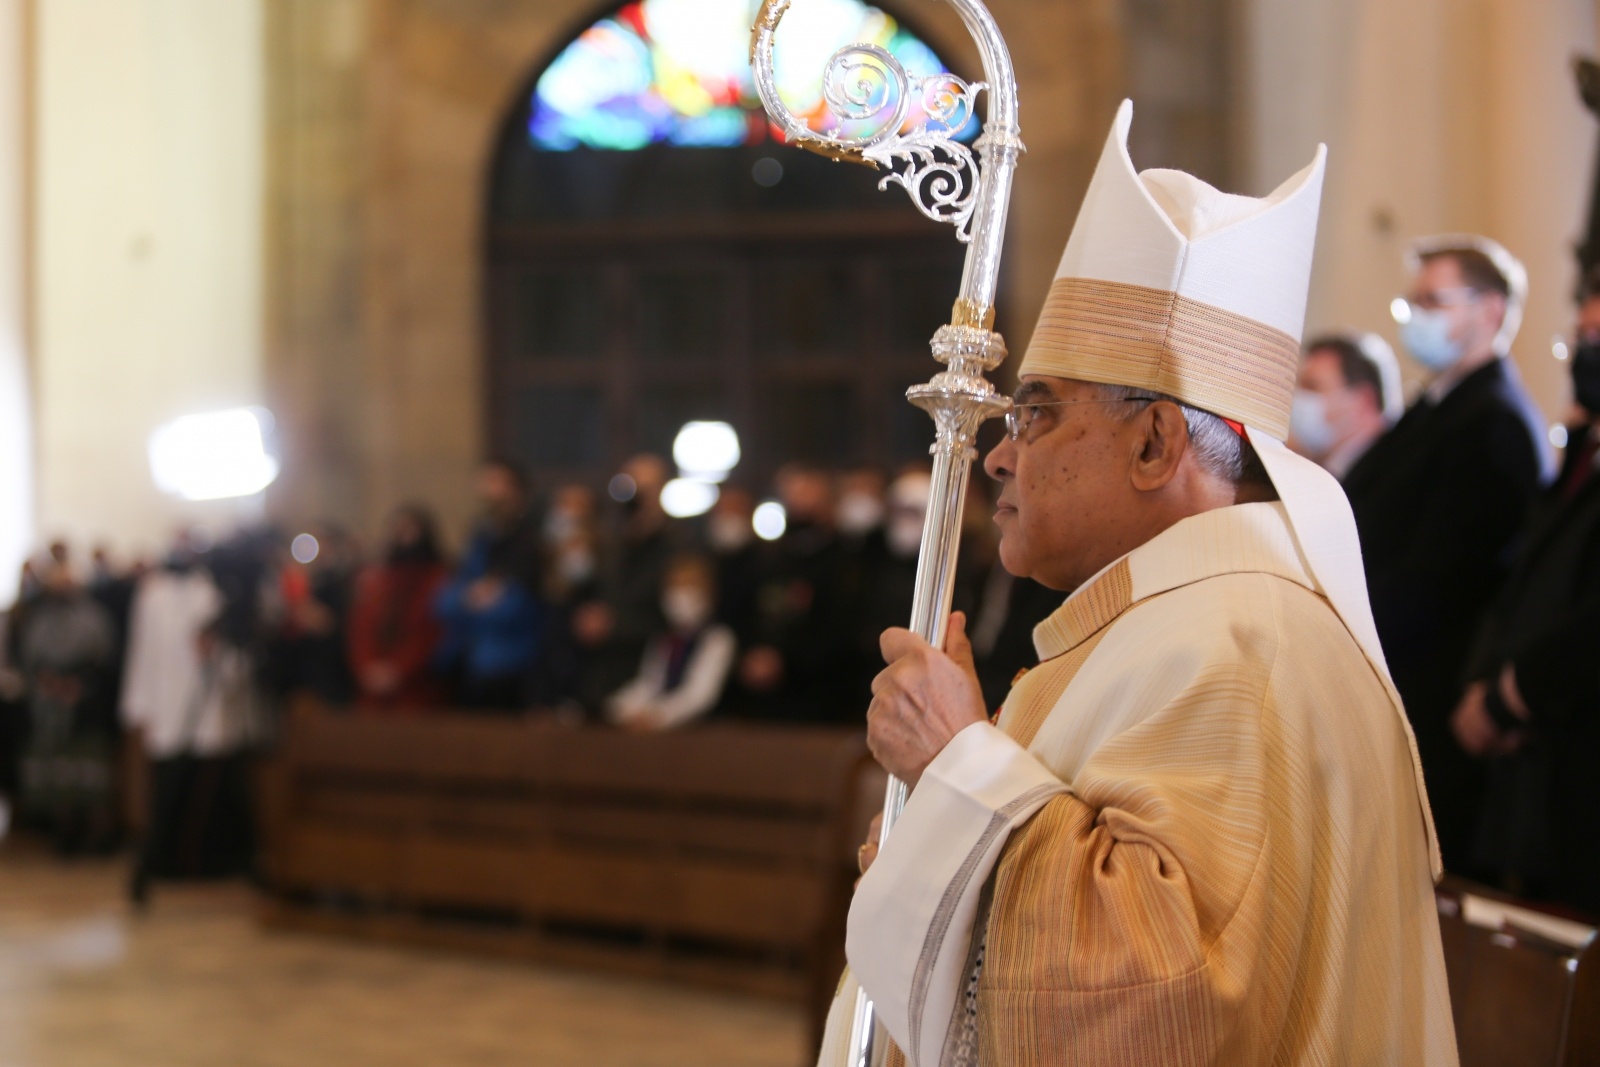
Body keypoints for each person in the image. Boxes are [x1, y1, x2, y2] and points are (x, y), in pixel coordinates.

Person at [819, 101, 1453, 1065]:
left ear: (1156, 441)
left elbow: (1150, 1002)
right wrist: (942, 799)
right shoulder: (1186, 621)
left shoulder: (1237, 646)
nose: (997, 458)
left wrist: (954, 767)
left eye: (1034, 417)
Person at [1343, 234, 1548, 868]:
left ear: (1489, 311)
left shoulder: (1495, 420)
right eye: (1413, 302)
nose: (1415, 317)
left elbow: (1441, 581)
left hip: (1427, 694)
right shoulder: (1438, 406)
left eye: (1433, 301)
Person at [1447, 268, 1600, 915]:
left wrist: (1513, 695)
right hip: (1531, 781)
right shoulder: (1581, 451)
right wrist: (1484, 683)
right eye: (1581, 333)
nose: (1583, 347)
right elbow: (1522, 580)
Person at [122, 535, 262, 903]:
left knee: (223, 789)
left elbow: (240, 661)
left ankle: (231, 863)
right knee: (167, 791)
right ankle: (153, 866)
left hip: (211, 709)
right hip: (169, 709)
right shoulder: (152, 596)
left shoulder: (218, 595)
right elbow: (143, 654)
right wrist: (139, 708)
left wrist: (215, 651)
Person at [14, 560, 118, 853]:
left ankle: (96, 837)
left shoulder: (95, 617)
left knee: (89, 773)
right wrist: (48, 681)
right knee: (59, 774)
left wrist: (78, 684)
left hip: (85, 707)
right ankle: (64, 834)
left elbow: (103, 659)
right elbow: (30, 657)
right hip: (50, 706)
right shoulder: (39, 618)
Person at [435, 459, 549, 711]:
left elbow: (515, 606)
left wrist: (482, 598)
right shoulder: (479, 538)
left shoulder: (530, 540)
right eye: (485, 481)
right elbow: (445, 602)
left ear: (517, 490)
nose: (488, 490)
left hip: (514, 665)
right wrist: (474, 596)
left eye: (497, 482)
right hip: (469, 661)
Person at [605, 555, 736, 731]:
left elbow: (700, 696)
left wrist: (657, 715)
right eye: (674, 589)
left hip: (702, 736)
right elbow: (650, 683)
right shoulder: (665, 638)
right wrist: (620, 707)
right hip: (661, 733)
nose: (680, 598)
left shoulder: (718, 638)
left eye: (690, 589)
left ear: (708, 594)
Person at [347, 505, 449, 711]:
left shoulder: (439, 580)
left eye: (410, 529)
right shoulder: (376, 578)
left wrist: (398, 670)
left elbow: (431, 632)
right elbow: (362, 626)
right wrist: (367, 667)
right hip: (373, 689)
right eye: (398, 529)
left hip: (418, 692)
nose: (403, 536)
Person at [1288, 331, 1402, 477]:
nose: (1297, 397)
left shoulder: (1391, 473)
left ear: (1364, 400)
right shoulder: (1329, 471)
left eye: (1312, 386)